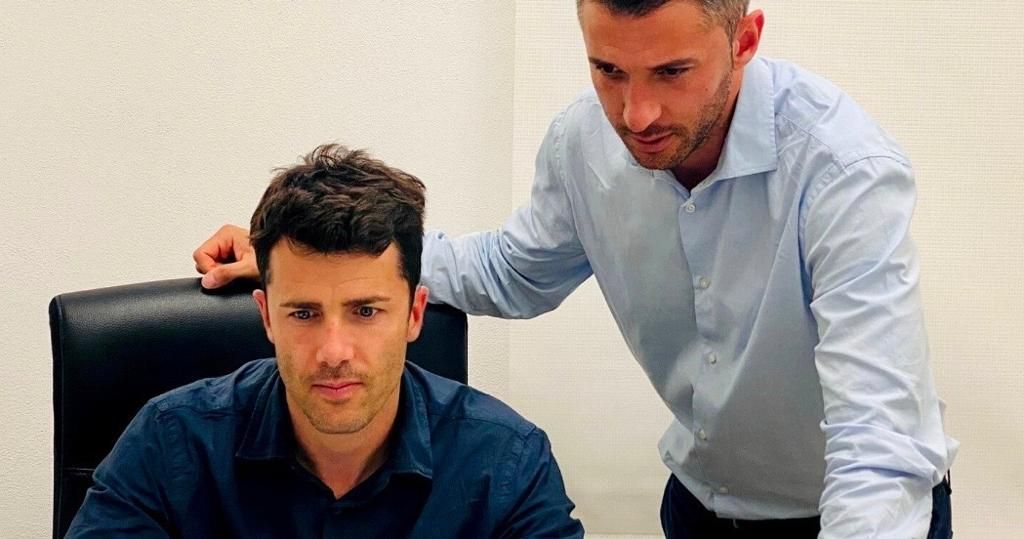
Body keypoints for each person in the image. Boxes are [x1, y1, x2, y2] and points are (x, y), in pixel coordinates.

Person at [194, 1, 958, 537]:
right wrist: (319, 266)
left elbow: (877, 444)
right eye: (608, 69)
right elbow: (512, 269)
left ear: (746, 39)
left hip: (853, 513)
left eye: (672, 71)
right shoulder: (585, 143)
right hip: (699, 509)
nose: (636, 114)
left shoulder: (842, 170)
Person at [70, 144, 583, 538]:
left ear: (414, 314)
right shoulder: (170, 444)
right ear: (267, 317)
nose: (334, 351)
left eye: (365, 312)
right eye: (304, 313)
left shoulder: (506, 465)